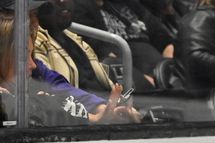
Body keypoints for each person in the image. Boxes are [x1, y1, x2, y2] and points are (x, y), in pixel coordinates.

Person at [0, 4, 139, 125]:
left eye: (30, 56)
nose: (33, 65)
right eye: (23, 57)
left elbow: (61, 88)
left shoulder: (37, 68)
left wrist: (101, 109)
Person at [34, 0, 115, 94]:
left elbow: (106, 85)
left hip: (104, 102)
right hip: (80, 106)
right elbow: (55, 95)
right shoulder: (34, 42)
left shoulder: (74, 38)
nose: (62, 1)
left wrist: (117, 101)